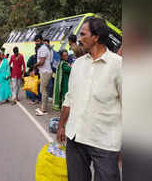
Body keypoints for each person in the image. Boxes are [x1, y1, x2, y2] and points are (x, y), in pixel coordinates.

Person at [57, 17, 122, 181]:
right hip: (75, 138)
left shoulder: (118, 65)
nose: (79, 38)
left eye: (83, 34)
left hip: (104, 142)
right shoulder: (78, 64)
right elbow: (69, 98)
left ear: (96, 37)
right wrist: (61, 126)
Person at [34, 34, 53, 116]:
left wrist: (34, 65)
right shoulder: (43, 48)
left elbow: (42, 62)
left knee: (43, 90)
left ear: (41, 40)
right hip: (44, 71)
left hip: (45, 72)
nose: (36, 42)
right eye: (36, 41)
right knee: (44, 90)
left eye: (38, 41)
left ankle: (43, 110)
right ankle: (43, 107)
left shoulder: (43, 49)